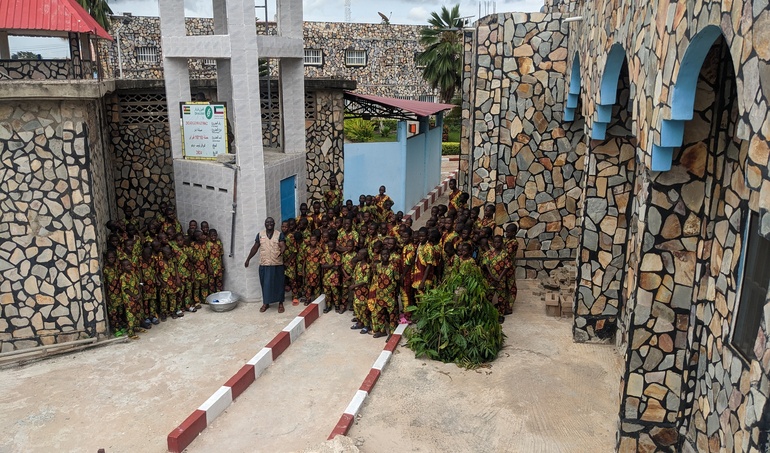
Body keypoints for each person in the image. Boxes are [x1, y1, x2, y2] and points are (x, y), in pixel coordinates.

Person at [245, 217, 287, 313]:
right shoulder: (260, 235)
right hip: (265, 264)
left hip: (277, 264)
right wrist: (248, 259)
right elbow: (255, 248)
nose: (269, 224)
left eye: (271, 222)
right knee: (265, 285)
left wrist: (282, 250)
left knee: (279, 284)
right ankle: (266, 303)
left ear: (274, 224)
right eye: (267, 222)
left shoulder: (279, 234)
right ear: (265, 224)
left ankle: (280, 303)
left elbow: (282, 245)